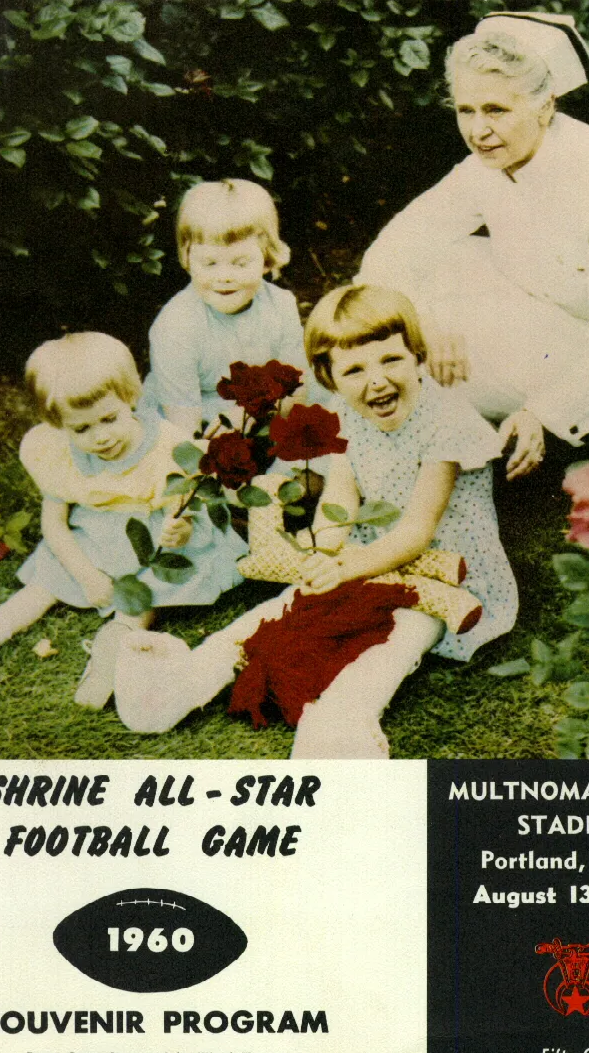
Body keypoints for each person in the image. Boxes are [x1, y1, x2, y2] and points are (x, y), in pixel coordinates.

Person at [114, 285, 518, 757]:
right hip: (366, 550)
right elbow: (341, 498)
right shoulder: (346, 414)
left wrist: (344, 567)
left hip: (441, 572)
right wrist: (321, 552)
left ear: (417, 357)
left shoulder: (444, 421)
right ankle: (187, 679)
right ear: (330, 378)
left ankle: (343, 718)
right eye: (354, 370)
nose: (377, 381)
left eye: (391, 360)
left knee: (393, 640)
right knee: (288, 606)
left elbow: (416, 531)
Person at [357, 11, 589, 479]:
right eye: (466, 110)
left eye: (496, 110)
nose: (478, 131)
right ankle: (585, 413)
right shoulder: (485, 164)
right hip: (560, 309)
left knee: (454, 371)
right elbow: (391, 250)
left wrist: (541, 414)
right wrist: (427, 322)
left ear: (545, 106)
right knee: (440, 266)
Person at [0, 332, 246, 708]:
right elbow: (54, 525)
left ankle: (113, 653)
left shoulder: (165, 446)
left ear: (130, 398)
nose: (101, 437)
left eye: (109, 419)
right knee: (45, 583)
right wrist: (85, 574)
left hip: (151, 534)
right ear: (59, 424)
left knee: (143, 590)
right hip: (93, 536)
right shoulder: (56, 452)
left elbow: (186, 509)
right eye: (82, 429)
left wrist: (180, 529)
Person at [142, 178, 313, 437]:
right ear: (188, 258)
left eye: (240, 263)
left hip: (266, 406)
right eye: (209, 263)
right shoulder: (175, 327)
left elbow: (296, 386)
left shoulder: (280, 304)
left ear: (266, 258)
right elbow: (183, 430)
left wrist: (254, 410)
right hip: (198, 419)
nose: (224, 277)